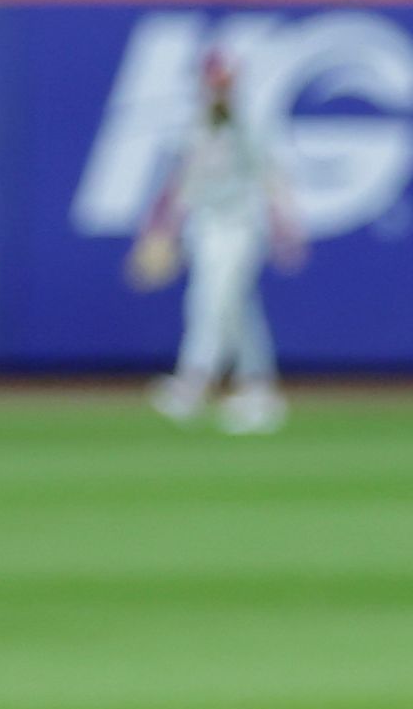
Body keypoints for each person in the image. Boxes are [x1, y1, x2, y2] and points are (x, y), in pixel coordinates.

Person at [129, 46, 305, 434]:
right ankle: (258, 390)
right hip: (205, 227)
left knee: (213, 300)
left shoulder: (247, 123)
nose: (219, 88)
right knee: (235, 310)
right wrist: (162, 227)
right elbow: (182, 182)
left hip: (240, 225)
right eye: (214, 81)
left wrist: (284, 228)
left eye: (225, 81)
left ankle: (193, 382)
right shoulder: (197, 124)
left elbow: (271, 178)